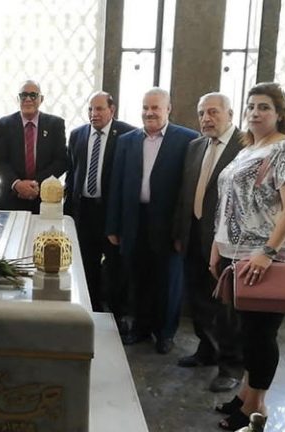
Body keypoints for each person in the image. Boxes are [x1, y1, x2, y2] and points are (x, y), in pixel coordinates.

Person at [209, 82, 285, 430]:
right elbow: (229, 203)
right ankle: (245, 395)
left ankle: (257, 407)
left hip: (270, 255)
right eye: (251, 106)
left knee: (260, 334)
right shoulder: (249, 149)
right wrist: (217, 244)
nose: (255, 113)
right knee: (246, 330)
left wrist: (268, 253)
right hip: (238, 253)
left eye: (264, 107)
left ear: (280, 113)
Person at [106, 87, 199, 354]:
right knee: (137, 278)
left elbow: (188, 190)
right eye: (145, 107)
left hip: (168, 224)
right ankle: (140, 328)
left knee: (168, 281)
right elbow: (116, 184)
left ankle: (165, 333)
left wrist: (182, 232)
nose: (149, 112)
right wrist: (113, 225)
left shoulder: (188, 140)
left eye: (155, 107)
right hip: (134, 221)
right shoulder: (127, 141)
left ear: (168, 109)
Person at [172, 92, 244, 391]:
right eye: (202, 113)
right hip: (193, 237)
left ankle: (231, 367)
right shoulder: (195, 146)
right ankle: (207, 350)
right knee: (198, 301)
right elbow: (185, 193)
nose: (206, 118)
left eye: (213, 112)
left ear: (230, 114)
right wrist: (180, 233)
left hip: (227, 243)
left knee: (226, 309)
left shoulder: (245, 147)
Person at [64, 91, 134, 313]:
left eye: (99, 109)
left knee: (115, 266)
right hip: (84, 212)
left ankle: (116, 314)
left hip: (110, 212)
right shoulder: (77, 134)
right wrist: (68, 214)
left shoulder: (127, 134)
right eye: (90, 109)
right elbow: (71, 176)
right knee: (86, 264)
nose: (94, 114)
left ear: (112, 110)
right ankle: (90, 310)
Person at [0, 80, 67, 213]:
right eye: (23, 95)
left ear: (41, 99)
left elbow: (61, 161)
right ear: (18, 99)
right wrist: (17, 184)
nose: (28, 99)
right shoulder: (5, 124)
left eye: (33, 95)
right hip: (10, 198)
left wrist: (35, 184)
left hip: (44, 199)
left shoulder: (55, 124)